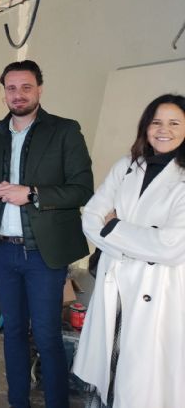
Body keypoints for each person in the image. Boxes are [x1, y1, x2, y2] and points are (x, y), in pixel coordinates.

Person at [0, 60, 93, 408]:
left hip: (44, 252)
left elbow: (82, 189)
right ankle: (18, 402)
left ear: (39, 89)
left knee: (46, 335)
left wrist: (33, 193)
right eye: (11, 88)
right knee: (12, 331)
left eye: (26, 87)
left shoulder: (65, 131)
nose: (18, 94)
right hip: (3, 250)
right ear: (4, 93)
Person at [73, 94, 185, 408]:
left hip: (158, 291)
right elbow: (91, 218)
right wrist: (139, 239)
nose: (163, 130)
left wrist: (114, 227)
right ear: (145, 127)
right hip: (115, 283)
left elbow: (173, 245)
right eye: (156, 122)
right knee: (110, 364)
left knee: (144, 380)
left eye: (174, 123)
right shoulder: (127, 166)